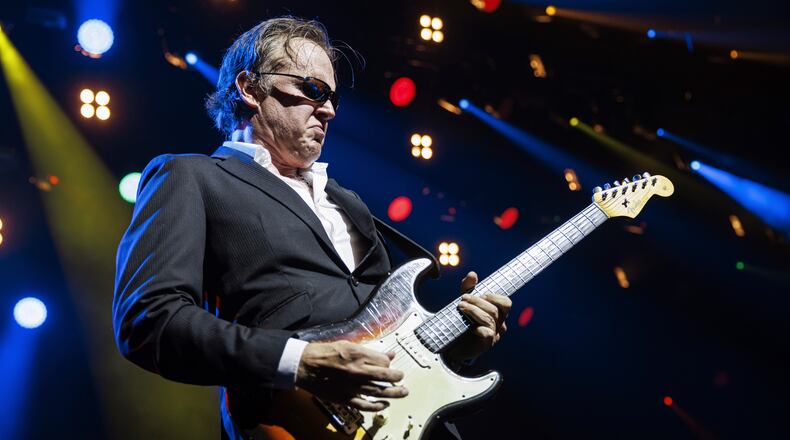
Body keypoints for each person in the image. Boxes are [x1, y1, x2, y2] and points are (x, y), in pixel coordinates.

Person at [112, 16, 511, 439]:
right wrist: (300, 362)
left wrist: (455, 348)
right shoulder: (190, 176)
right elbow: (148, 318)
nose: (329, 110)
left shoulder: (349, 202)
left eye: (333, 97)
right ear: (249, 88)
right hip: (290, 424)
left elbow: (389, 335)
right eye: (313, 90)